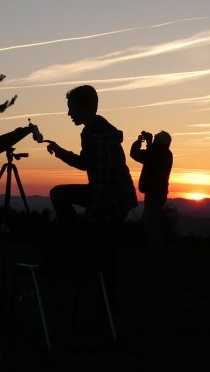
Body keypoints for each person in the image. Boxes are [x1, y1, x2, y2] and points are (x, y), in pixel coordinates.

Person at [45, 85, 137, 274]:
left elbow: (104, 184)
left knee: (105, 253)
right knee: (59, 194)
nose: (69, 113)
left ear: (84, 107)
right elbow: (86, 163)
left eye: (71, 107)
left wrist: (90, 216)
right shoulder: (91, 131)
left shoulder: (100, 137)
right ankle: (76, 241)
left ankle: (104, 292)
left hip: (114, 199)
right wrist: (60, 152)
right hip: (109, 194)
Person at [130, 130, 173, 260]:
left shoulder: (158, 153)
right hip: (158, 193)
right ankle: (155, 250)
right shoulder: (165, 153)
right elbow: (152, 156)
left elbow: (135, 154)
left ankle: (156, 253)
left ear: (160, 141)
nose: (153, 138)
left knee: (151, 222)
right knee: (150, 220)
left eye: (156, 137)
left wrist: (139, 142)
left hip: (154, 193)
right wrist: (149, 143)